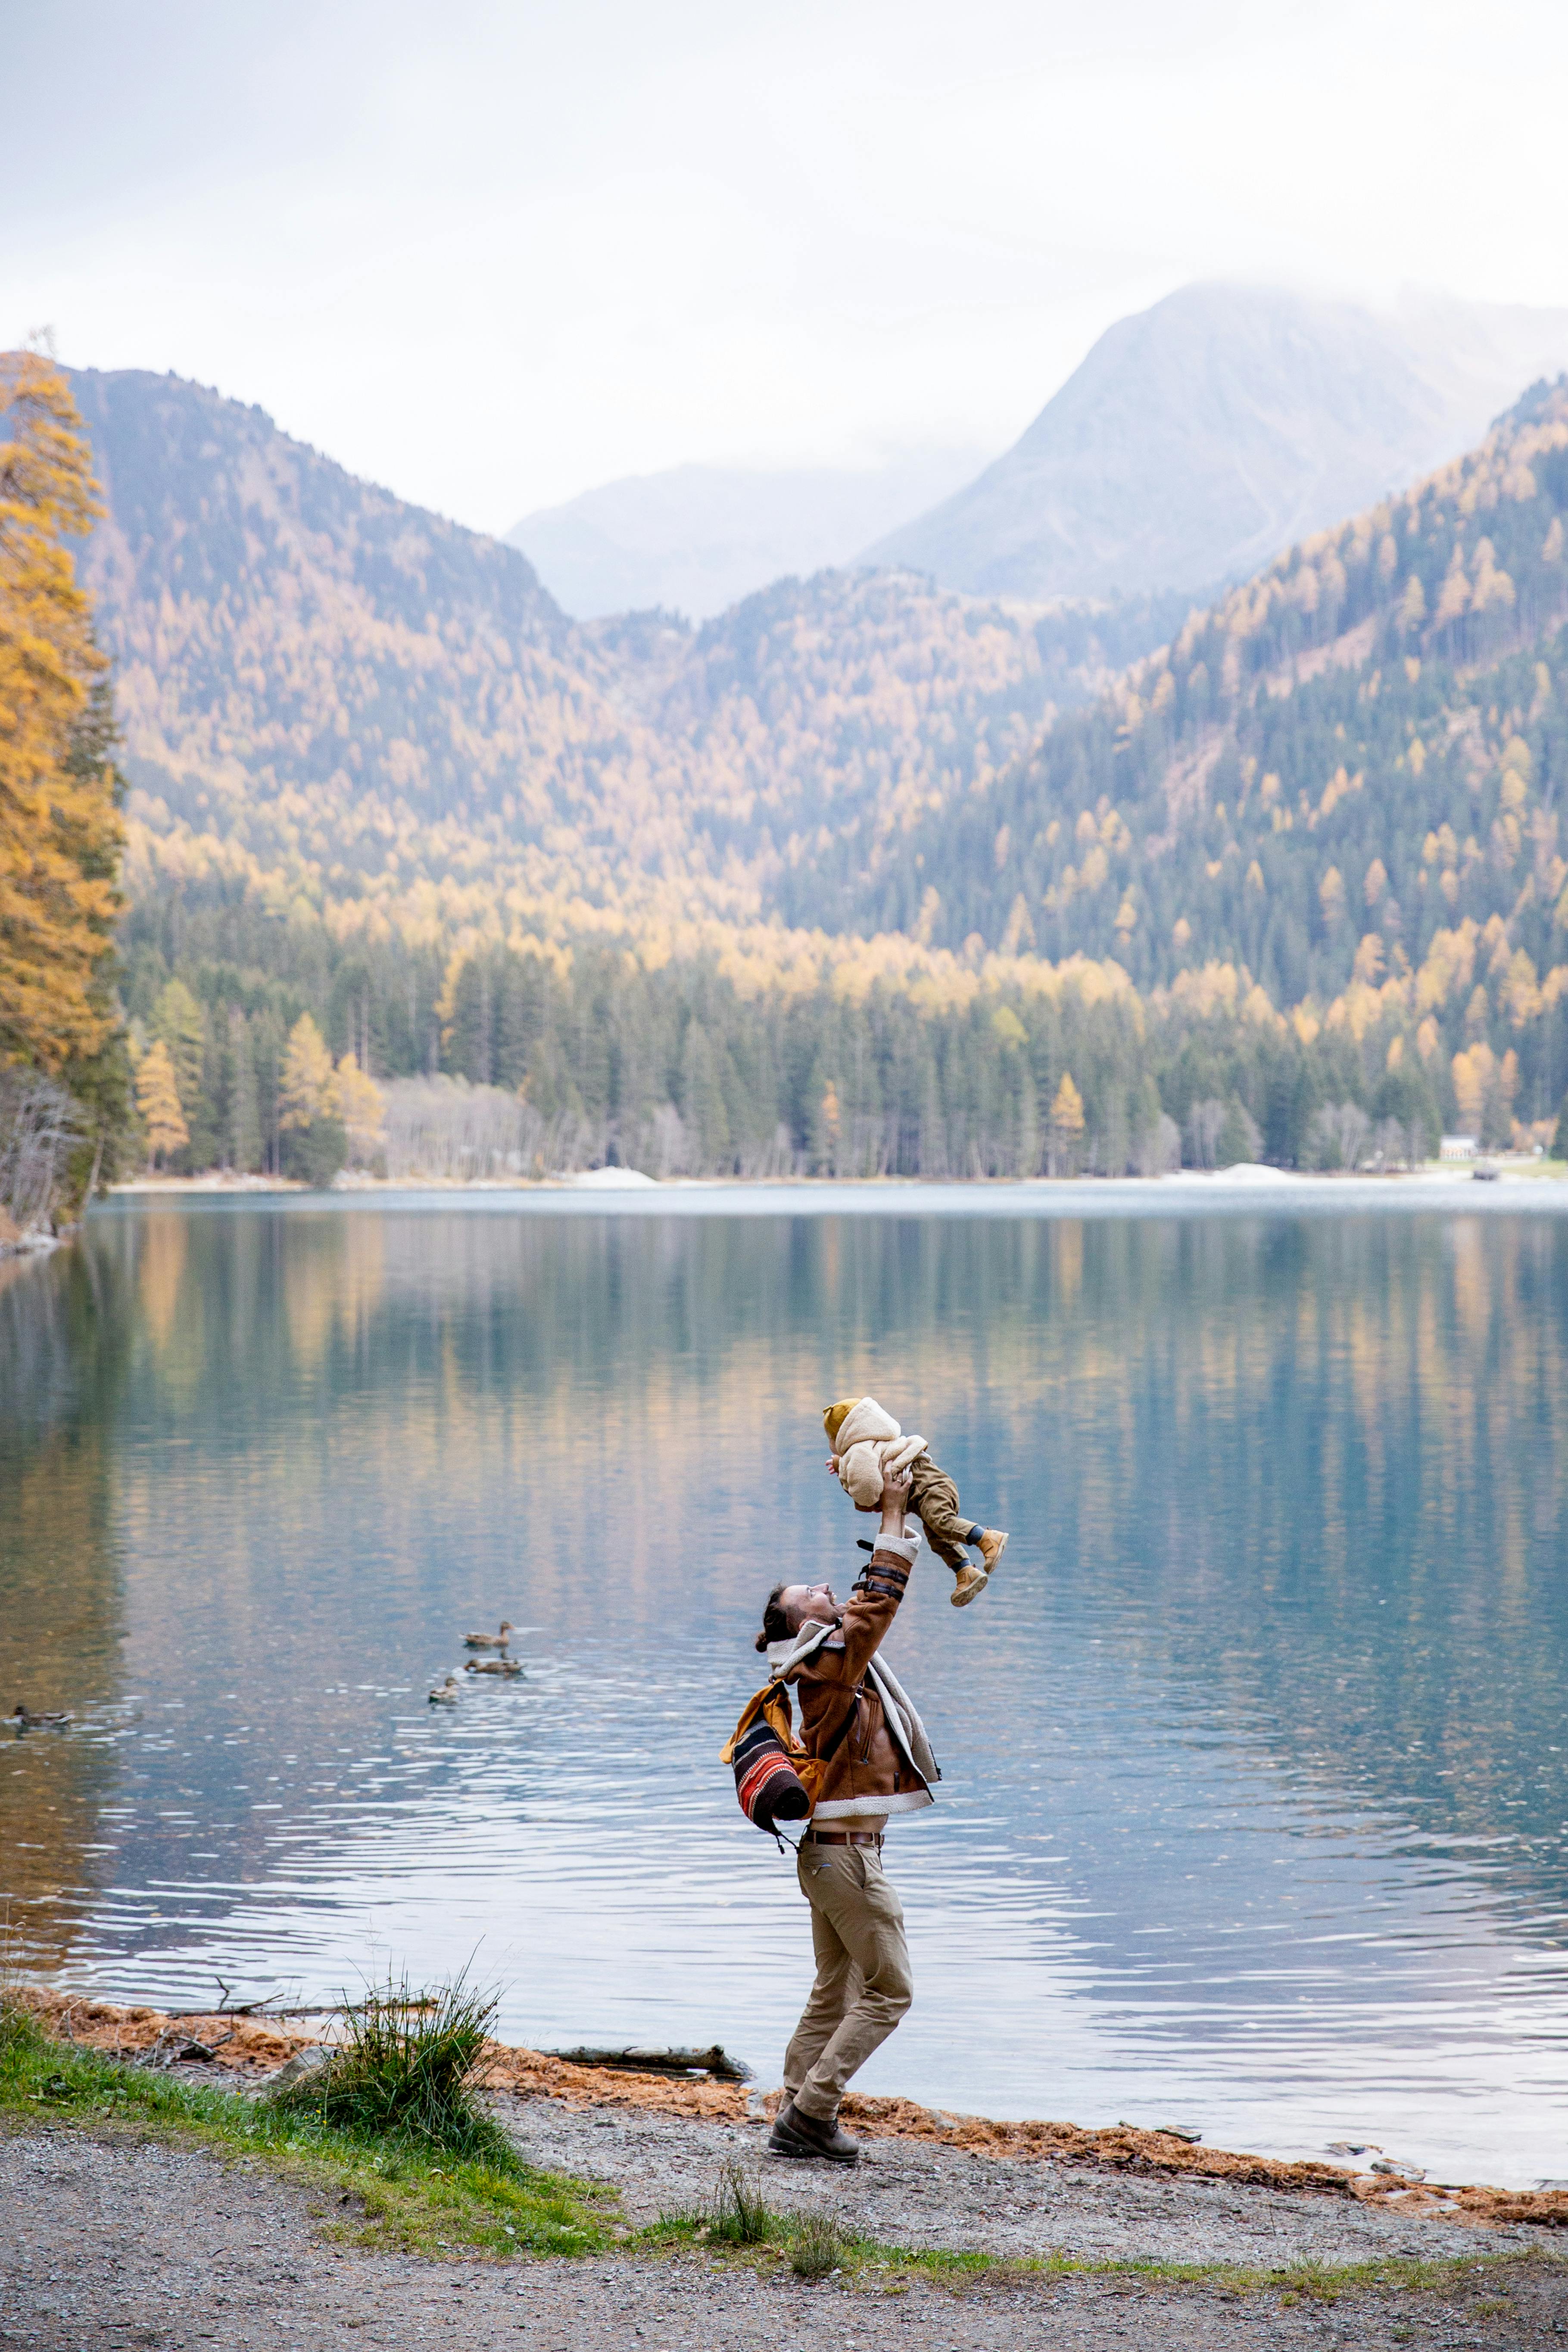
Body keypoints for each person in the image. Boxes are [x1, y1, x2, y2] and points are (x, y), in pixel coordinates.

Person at [759, 1460, 937, 2165]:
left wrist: (887, 1513)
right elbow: (875, 1603)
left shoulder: (818, 1660)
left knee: (835, 1985)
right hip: (845, 1857)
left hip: (826, 1856)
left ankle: (792, 2105)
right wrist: (893, 1516)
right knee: (890, 1988)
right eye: (815, 1593)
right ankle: (810, 2114)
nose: (828, 1589)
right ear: (804, 1621)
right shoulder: (827, 1657)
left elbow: (863, 1605)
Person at [823, 1394, 1007, 1605]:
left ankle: (987, 1538)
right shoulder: (877, 1442)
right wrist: (842, 1465)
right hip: (931, 1483)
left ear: (843, 1436)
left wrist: (865, 1500)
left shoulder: (860, 1450)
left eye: (831, 1439)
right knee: (938, 1537)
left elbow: (866, 1487)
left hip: (925, 1486)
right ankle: (965, 1572)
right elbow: (870, 1464)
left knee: (942, 1523)